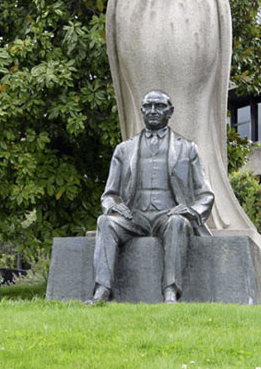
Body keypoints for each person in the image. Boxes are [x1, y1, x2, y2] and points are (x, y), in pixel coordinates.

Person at [87, 90, 214, 304]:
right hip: (134, 217)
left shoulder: (187, 148)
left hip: (167, 215)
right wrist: (113, 207)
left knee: (176, 223)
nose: (153, 111)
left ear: (170, 111)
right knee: (105, 222)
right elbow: (109, 195)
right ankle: (101, 291)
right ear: (142, 111)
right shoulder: (124, 149)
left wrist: (190, 210)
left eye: (159, 106)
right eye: (148, 106)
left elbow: (205, 195)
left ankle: (170, 293)